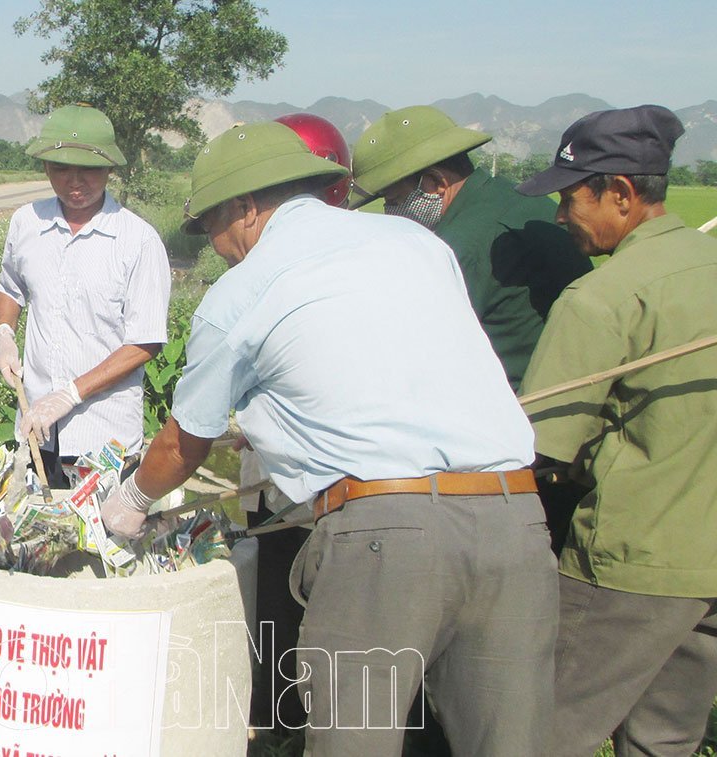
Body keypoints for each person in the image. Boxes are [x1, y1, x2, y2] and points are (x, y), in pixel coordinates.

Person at [101, 121, 558, 756]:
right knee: (508, 744)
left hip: (385, 539)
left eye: (211, 227)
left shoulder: (239, 294)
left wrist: (127, 505)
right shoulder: (415, 243)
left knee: (356, 740)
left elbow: (184, 446)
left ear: (245, 207)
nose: (217, 247)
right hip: (515, 521)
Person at [517, 105, 717, 757]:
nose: (559, 217)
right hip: (707, 563)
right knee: (667, 740)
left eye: (570, 198)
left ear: (621, 194)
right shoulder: (705, 264)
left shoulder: (603, 299)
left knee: (531, 733)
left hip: (631, 564)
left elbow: (536, 448)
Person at [239, 112, 351, 732]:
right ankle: (280, 717)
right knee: (281, 601)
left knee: (302, 605)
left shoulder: (270, 273)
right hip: (290, 476)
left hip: (321, 486)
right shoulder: (376, 254)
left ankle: (290, 719)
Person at [349, 105, 590, 390]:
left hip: (517, 406)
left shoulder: (455, 250)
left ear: (437, 182)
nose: (390, 212)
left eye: (393, 199)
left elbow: (415, 355)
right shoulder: (514, 196)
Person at [0, 104, 170, 483]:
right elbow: (9, 286)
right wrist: (4, 333)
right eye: (61, 169)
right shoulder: (26, 222)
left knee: (98, 540)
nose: (75, 181)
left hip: (102, 436)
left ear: (109, 169)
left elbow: (146, 341)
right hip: (36, 426)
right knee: (41, 536)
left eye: (89, 170)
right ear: (45, 168)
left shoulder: (137, 240)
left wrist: (70, 394)